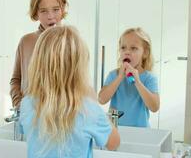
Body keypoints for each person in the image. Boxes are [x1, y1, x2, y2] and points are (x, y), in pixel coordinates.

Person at [19, 26, 120, 158]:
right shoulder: (88, 110)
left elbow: (24, 130)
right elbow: (114, 143)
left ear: (38, 64)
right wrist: (93, 101)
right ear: (79, 69)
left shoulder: (27, 103)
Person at [10, 0, 68, 108]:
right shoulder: (26, 42)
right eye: (44, 11)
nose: (50, 16)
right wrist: (19, 105)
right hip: (30, 117)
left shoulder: (71, 42)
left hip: (61, 117)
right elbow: (15, 80)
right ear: (36, 13)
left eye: (56, 9)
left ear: (63, 9)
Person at [98, 27, 160, 127]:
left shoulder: (149, 78)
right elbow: (101, 99)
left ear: (145, 53)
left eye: (133, 48)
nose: (127, 52)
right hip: (115, 130)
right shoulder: (113, 75)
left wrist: (138, 82)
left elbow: (155, 107)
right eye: (123, 48)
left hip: (140, 131)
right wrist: (119, 78)